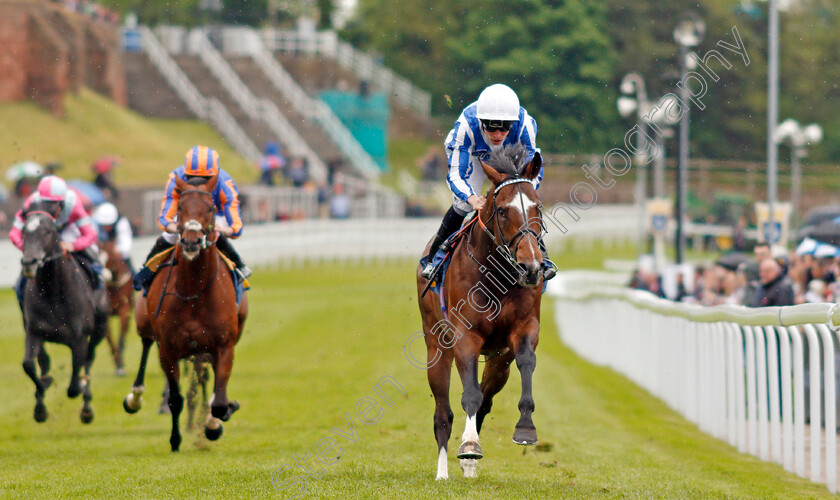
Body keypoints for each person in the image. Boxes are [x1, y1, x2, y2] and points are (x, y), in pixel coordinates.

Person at [420, 83, 554, 280]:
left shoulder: (525, 125)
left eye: (504, 127)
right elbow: (456, 174)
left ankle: (542, 256)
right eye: (491, 126)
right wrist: (472, 199)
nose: (498, 134)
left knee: (523, 204)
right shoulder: (466, 126)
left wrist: (523, 192)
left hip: (511, 154)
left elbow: (533, 167)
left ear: (513, 124)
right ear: (481, 121)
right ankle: (435, 259)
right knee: (461, 205)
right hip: (475, 155)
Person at [133, 146, 251, 292]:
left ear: (215, 176)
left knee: (216, 230)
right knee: (169, 236)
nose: (199, 183)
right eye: (192, 178)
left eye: (207, 179)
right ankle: (146, 271)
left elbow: (236, 226)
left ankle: (238, 267)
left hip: (214, 216)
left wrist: (226, 230)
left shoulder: (225, 183)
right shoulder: (176, 178)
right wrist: (175, 228)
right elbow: (165, 217)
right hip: (187, 214)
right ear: (185, 174)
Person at [9, 175, 104, 308]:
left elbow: (91, 235)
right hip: (43, 232)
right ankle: (21, 293)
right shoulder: (31, 203)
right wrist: (28, 249)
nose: (50, 209)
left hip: (67, 230)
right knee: (26, 270)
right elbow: (14, 233)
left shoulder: (74, 203)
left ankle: (98, 284)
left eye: (54, 205)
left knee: (91, 254)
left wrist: (74, 245)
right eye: (46, 204)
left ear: (63, 202)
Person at [93, 202, 134, 271]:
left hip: (118, 256)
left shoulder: (122, 222)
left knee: (133, 275)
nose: (106, 227)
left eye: (108, 225)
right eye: (103, 225)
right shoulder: (95, 223)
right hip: (100, 255)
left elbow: (126, 245)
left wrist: (115, 251)